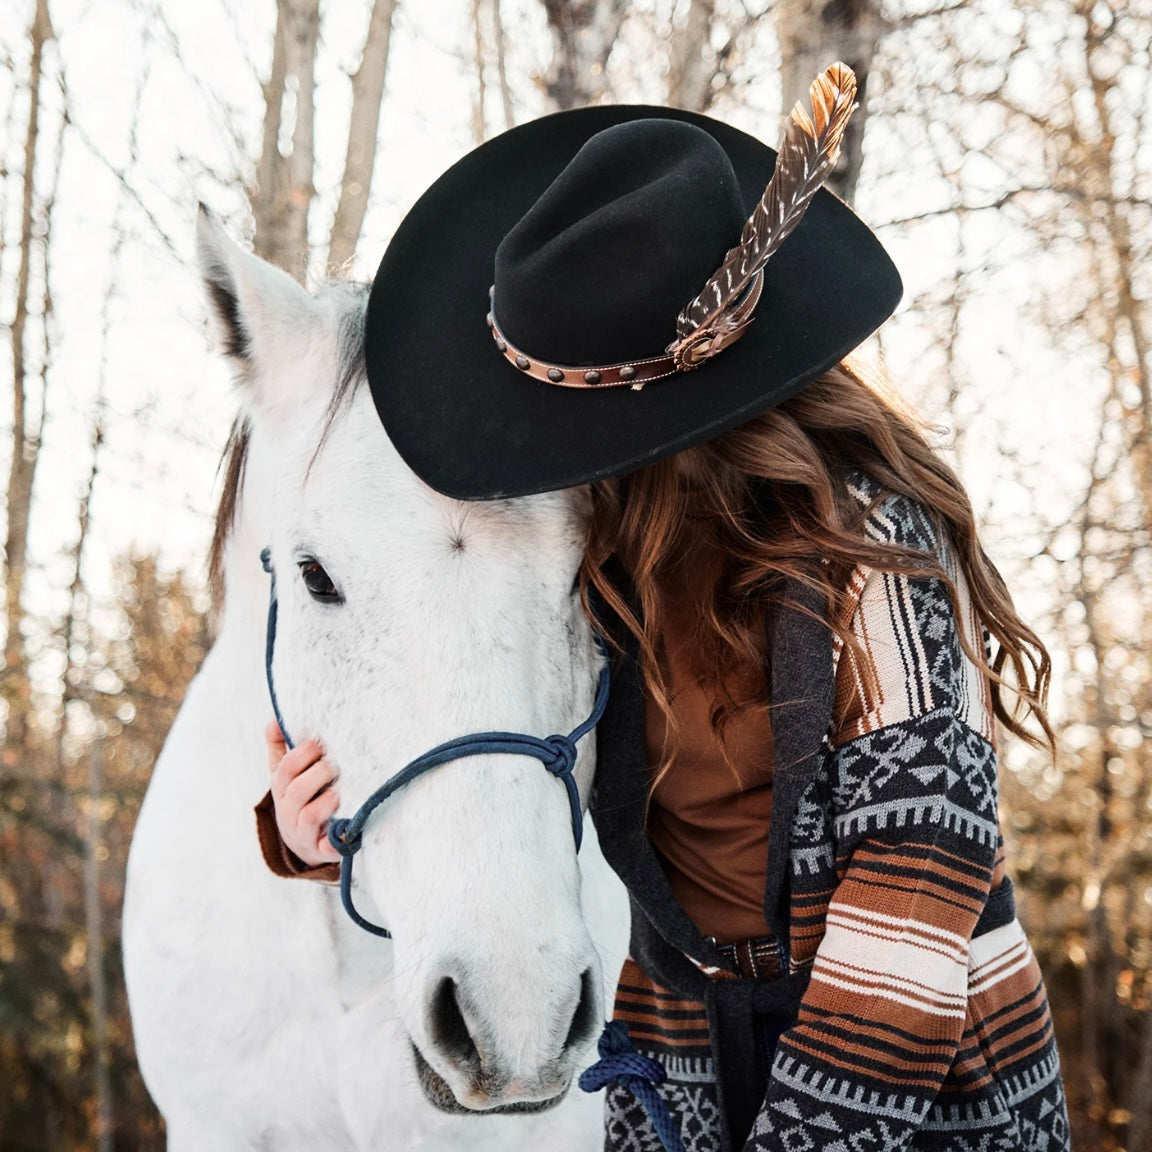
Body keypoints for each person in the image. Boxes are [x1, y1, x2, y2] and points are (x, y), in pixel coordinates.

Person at [254, 64, 1070, 1152]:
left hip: (918, 1069)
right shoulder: (602, 552)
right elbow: (488, 753)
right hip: (684, 1062)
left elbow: (921, 872)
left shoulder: (873, 541)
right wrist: (321, 831)